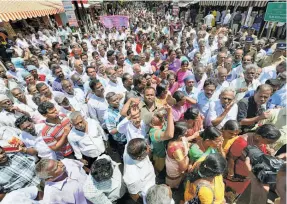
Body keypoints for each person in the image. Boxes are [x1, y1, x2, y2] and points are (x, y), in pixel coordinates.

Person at [225, 124, 281, 195]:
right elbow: (231, 158)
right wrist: (231, 174)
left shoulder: (261, 140)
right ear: (258, 136)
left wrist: (269, 151)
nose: (270, 144)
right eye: (269, 142)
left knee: (237, 194)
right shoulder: (243, 142)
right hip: (236, 177)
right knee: (228, 195)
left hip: (247, 177)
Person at [123, 138, 156, 202]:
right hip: (146, 193)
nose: (149, 147)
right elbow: (134, 195)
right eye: (147, 148)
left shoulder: (129, 146)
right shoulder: (132, 178)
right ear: (139, 157)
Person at [149, 104, 174, 175]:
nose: (159, 117)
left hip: (167, 157)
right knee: (160, 172)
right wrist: (169, 114)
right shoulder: (154, 132)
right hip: (160, 159)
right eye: (155, 116)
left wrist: (163, 111)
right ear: (151, 122)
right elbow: (169, 135)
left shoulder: (162, 124)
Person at [165, 122, 190, 188]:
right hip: (175, 172)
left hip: (176, 166)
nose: (187, 132)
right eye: (185, 131)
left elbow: (185, 141)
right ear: (179, 135)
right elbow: (183, 167)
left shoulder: (180, 139)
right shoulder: (176, 149)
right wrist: (187, 159)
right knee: (174, 185)